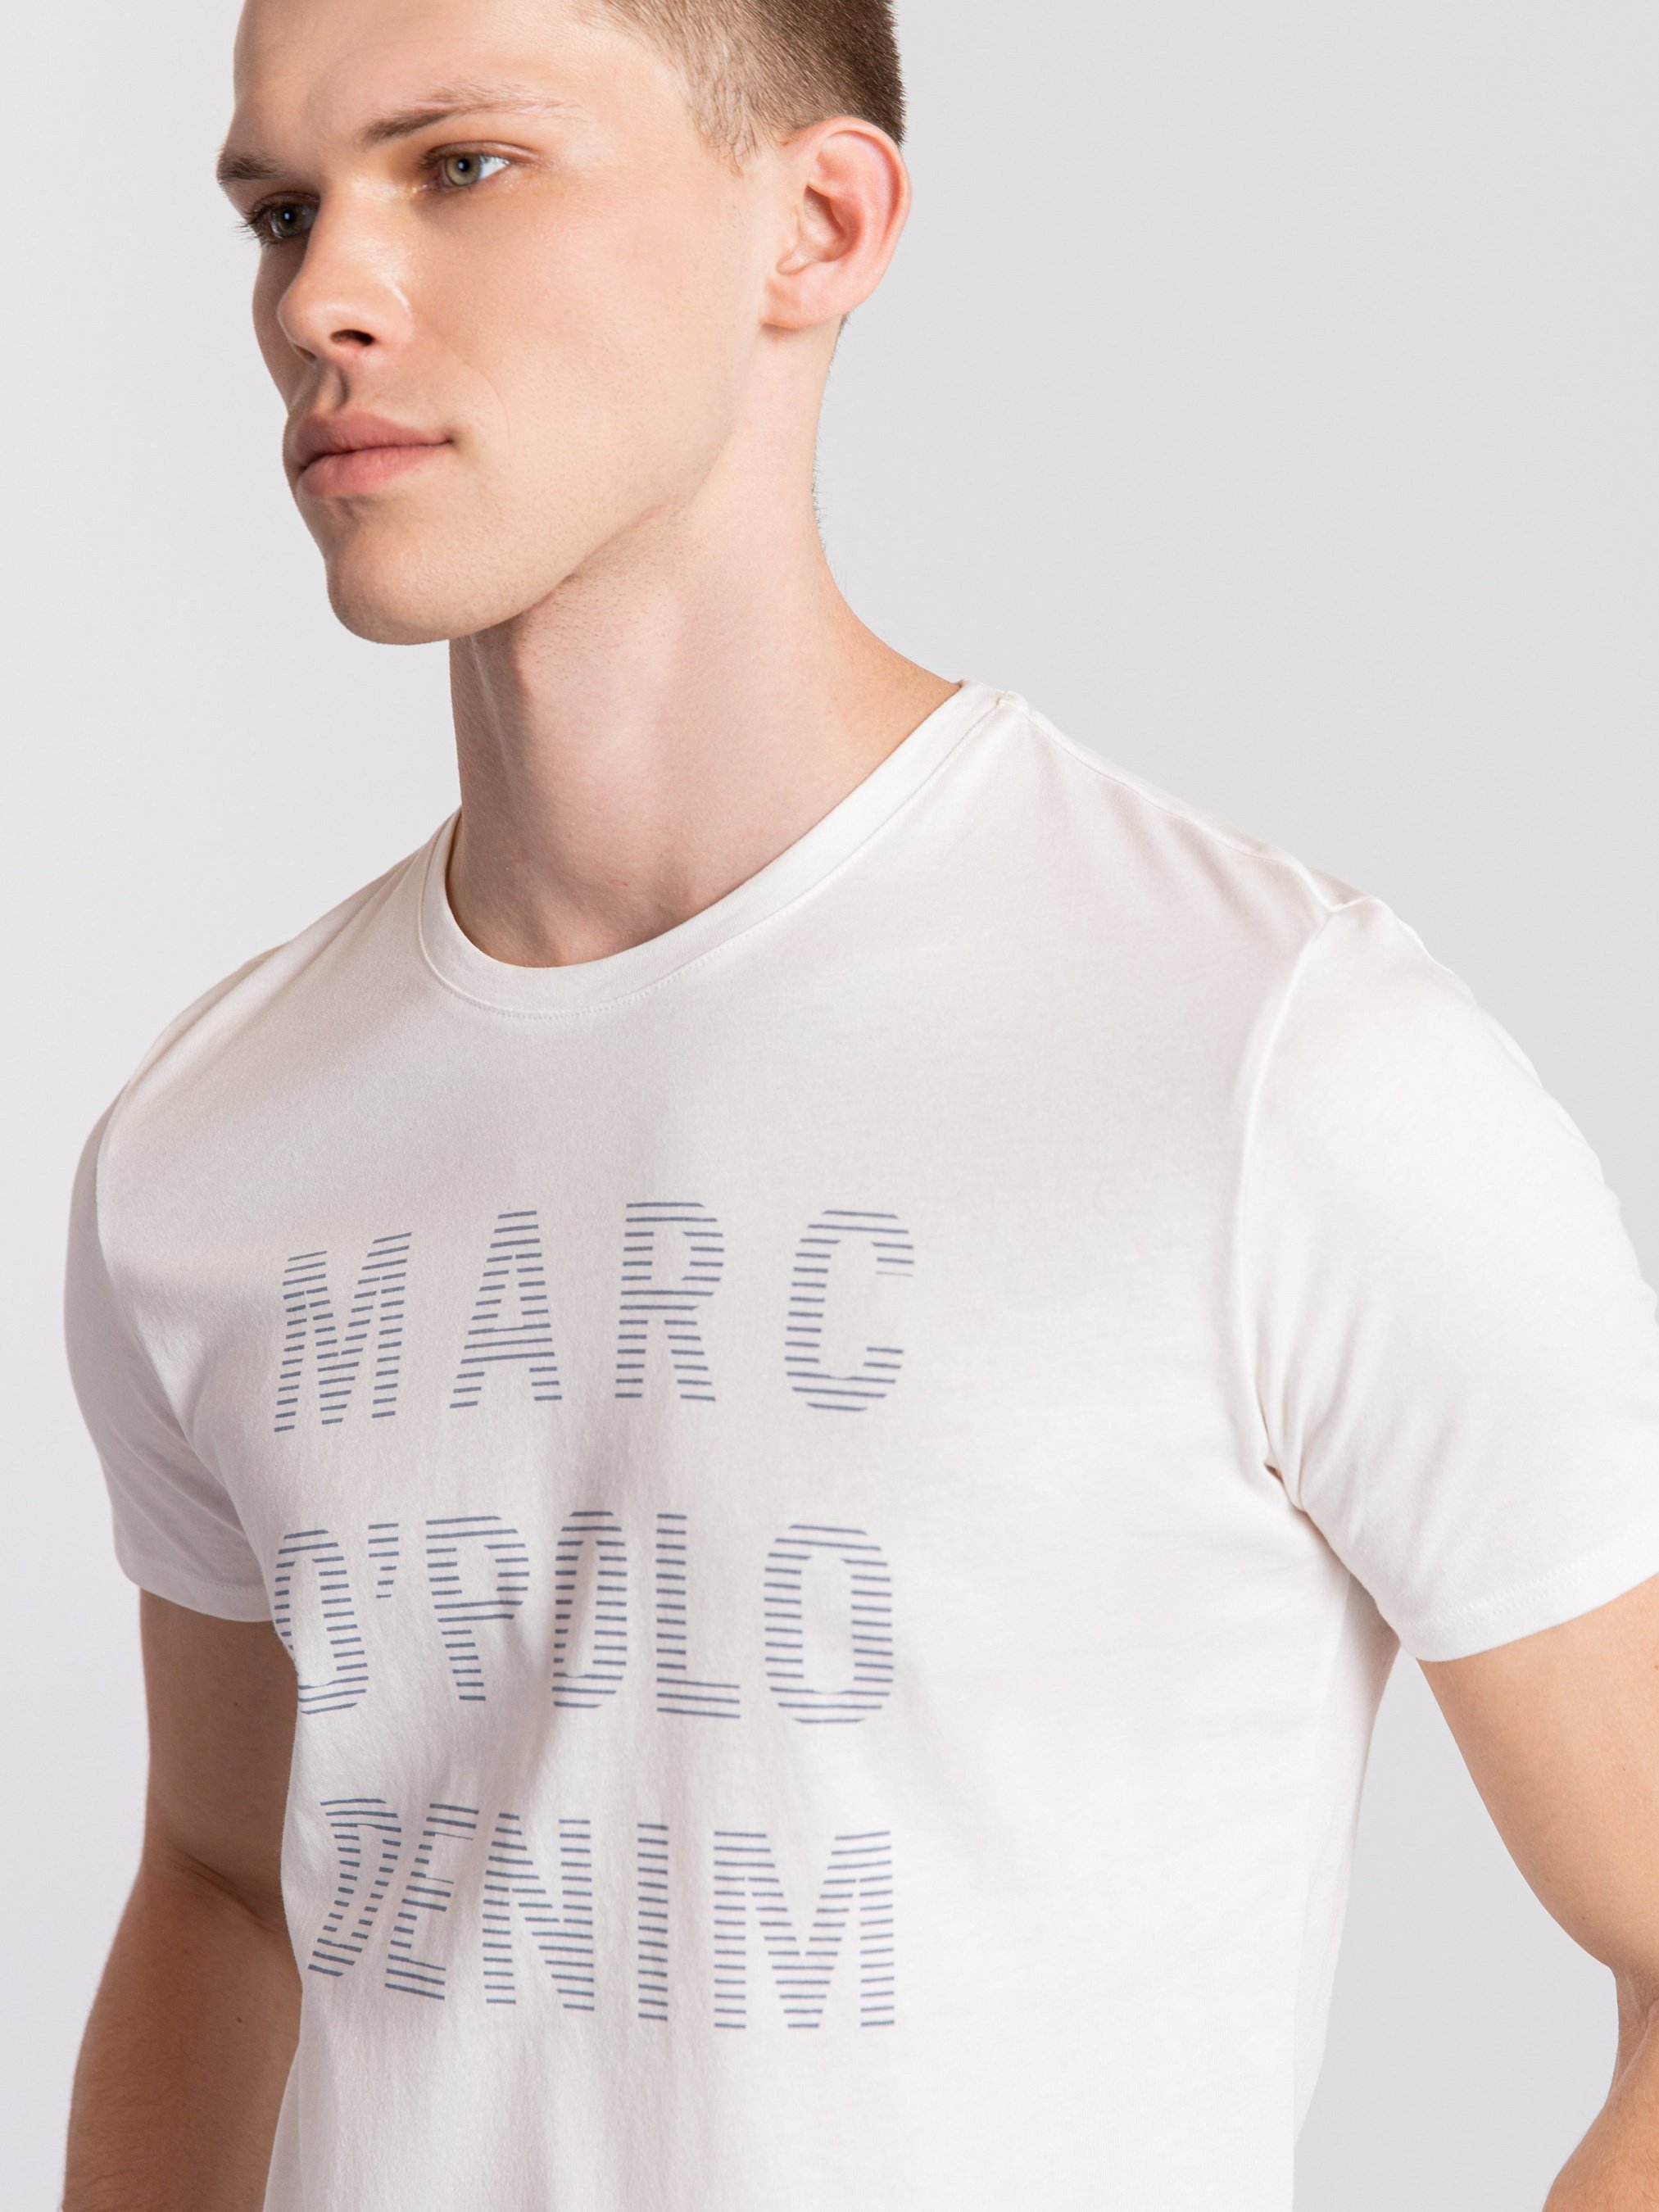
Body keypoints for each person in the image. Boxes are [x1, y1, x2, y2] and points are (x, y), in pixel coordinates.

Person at [57, 0, 1659, 2204]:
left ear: (815, 224)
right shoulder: (212, 1139)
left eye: (460, 167)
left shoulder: (1264, 1060)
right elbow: (227, 1889)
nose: (323, 294)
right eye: (278, 210)